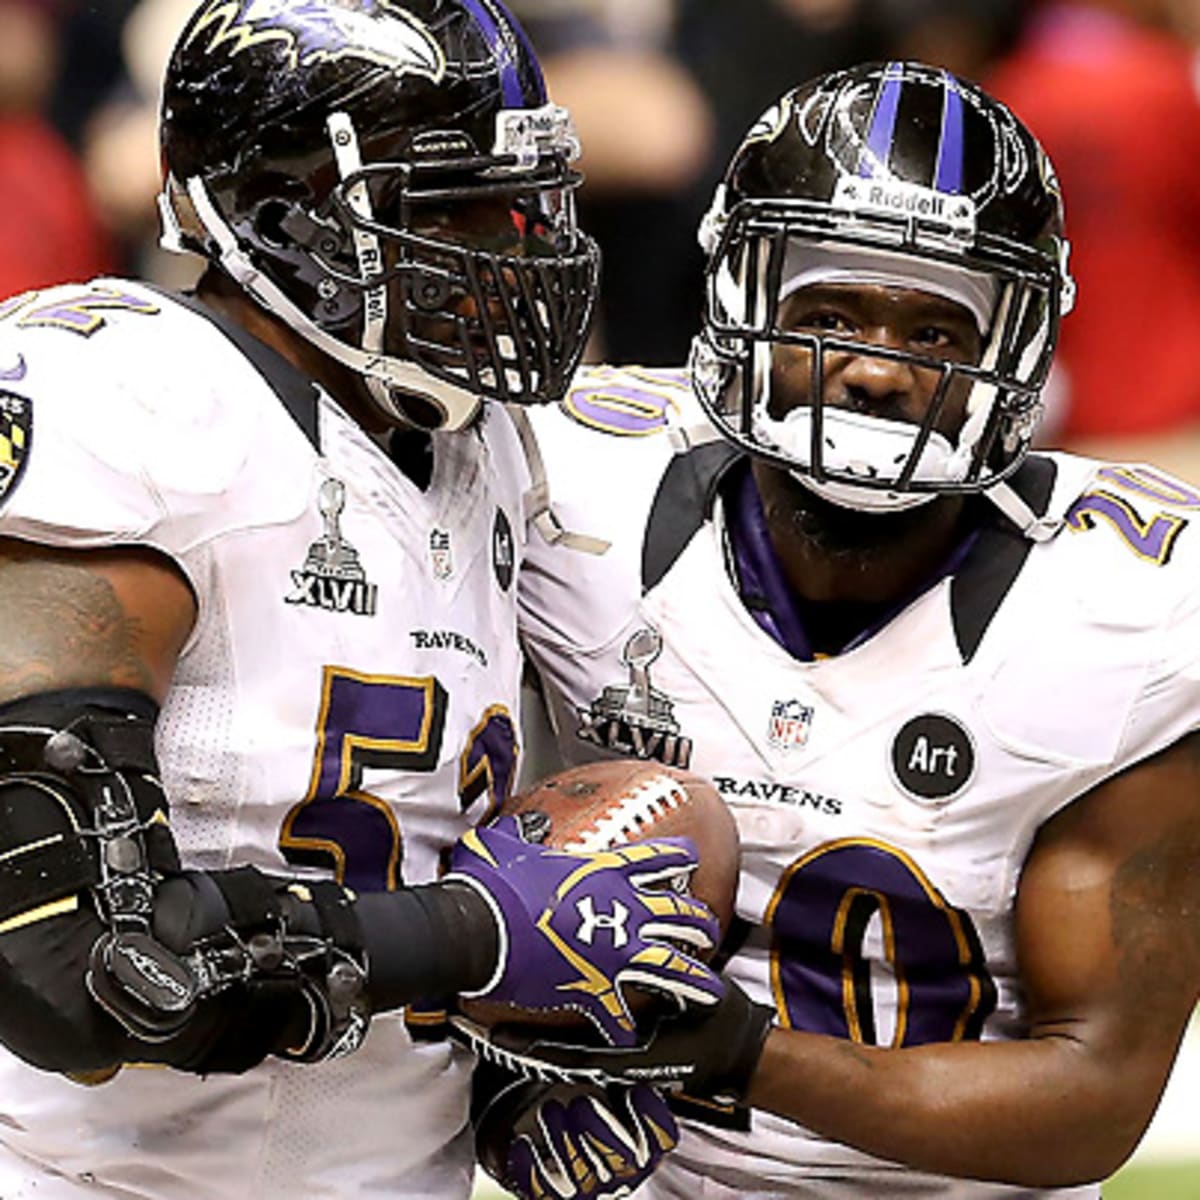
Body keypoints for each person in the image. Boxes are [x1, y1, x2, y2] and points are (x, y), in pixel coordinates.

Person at [0, 1, 727, 1196]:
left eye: (526, 200)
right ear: (286, 219)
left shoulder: (488, 445)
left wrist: (528, 1047)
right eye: (451, 209)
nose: (516, 245)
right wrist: (477, 940)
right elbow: (73, 966)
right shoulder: (134, 403)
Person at [469, 60, 1200, 1199]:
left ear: (1012, 353)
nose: (874, 367)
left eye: (936, 331)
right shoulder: (568, 486)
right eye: (829, 313)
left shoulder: (1130, 610)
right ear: (744, 302)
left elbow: (1096, 1092)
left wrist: (744, 1057)